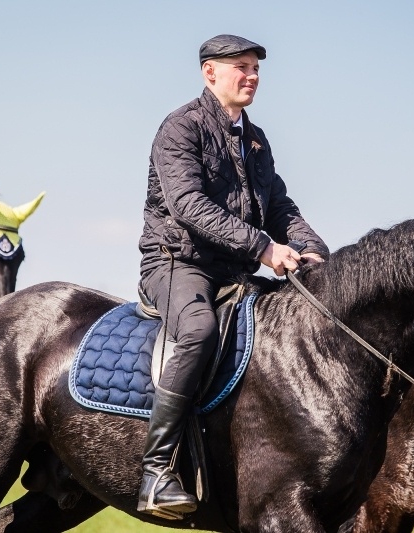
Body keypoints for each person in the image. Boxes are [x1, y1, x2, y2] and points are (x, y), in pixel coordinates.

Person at [136, 34, 329, 518]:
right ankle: (156, 472)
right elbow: (188, 205)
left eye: (256, 68)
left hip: (235, 271)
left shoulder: (256, 140)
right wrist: (264, 248)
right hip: (176, 263)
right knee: (198, 330)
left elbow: (280, 206)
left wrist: (313, 250)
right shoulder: (181, 127)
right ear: (210, 73)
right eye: (241, 66)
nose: (252, 76)